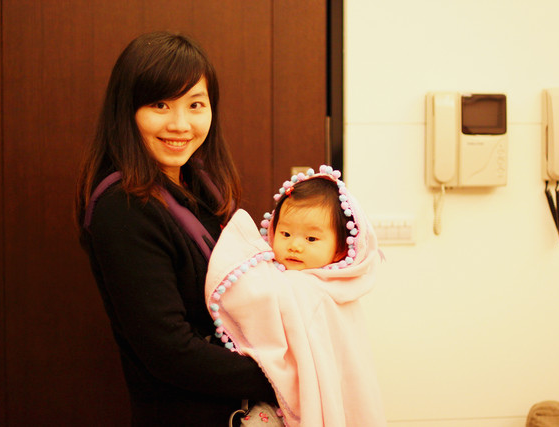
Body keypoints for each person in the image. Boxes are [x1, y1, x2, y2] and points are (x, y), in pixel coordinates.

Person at [75, 31, 276, 426]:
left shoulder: (200, 185)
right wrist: (286, 374)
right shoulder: (125, 208)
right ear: (126, 111)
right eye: (160, 104)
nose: (180, 124)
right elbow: (171, 352)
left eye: (195, 105)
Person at [205, 165, 387, 426]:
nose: (295, 245)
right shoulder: (308, 282)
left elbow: (251, 298)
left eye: (311, 239)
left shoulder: (308, 288)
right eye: (286, 233)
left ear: (339, 249)